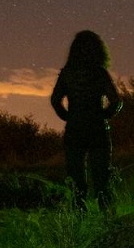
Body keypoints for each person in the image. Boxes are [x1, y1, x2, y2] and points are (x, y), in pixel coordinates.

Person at [50, 30, 122, 213]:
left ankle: (78, 218)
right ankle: (107, 220)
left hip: (75, 128)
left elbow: (55, 100)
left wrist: (68, 117)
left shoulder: (67, 73)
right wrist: (105, 116)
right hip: (97, 128)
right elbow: (116, 101)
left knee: (76, 180)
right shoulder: (99, 73)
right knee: (102, 179)